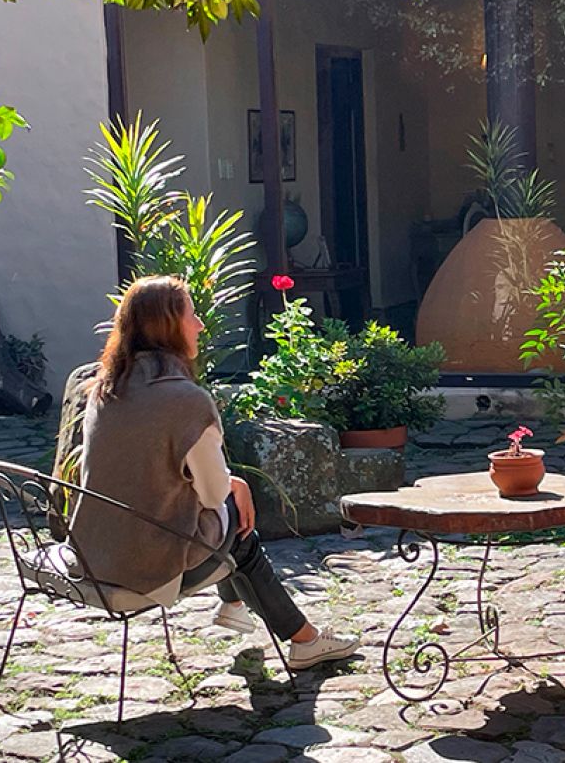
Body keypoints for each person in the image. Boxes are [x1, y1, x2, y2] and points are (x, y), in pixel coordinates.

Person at [71, 275, 359, 671]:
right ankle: (302, 639)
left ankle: (235, 606)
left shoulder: (105, 388)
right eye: (192, 315)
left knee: (229, 509)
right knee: (239, 527)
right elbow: (211, 496)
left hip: (95, 549)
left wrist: (230, 484)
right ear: (170, 327)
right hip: (146, 560)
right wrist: (235, 486)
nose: (200, 325)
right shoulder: (186, 400)